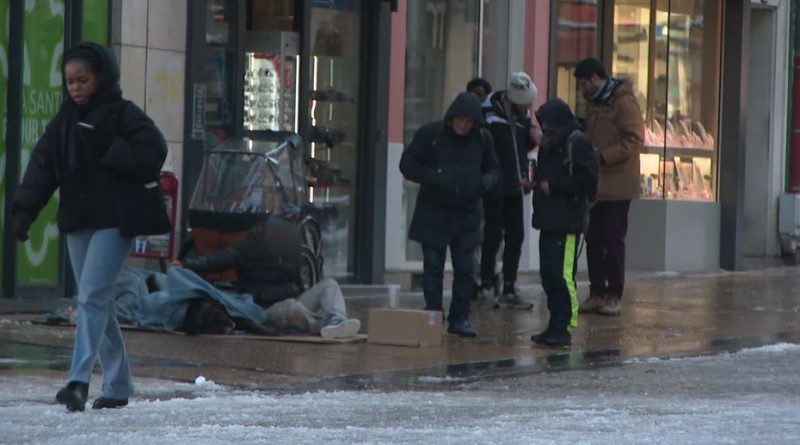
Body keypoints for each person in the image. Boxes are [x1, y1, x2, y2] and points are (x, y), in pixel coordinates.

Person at [10, 42, 168, 411]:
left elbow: (153, 152)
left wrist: (114, 150)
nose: (76, 87)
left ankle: (78, 381)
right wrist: (24, 210)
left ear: (100, 77)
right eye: (69, 82)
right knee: (99, 302)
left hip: (115, 221)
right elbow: (42, 167)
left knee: (92, 298)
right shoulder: (64, 121)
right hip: (79, 221)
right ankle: (119, 383)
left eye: (82, 79)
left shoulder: (124, 114)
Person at [400, 92, 500, 337]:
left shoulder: (483, 140)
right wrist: (434, 178)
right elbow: (408, 164)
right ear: (451, 118)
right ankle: (433, 315)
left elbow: (495, 169)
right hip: (434, 211)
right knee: (433, 269)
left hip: (466, 214)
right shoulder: (431, 135)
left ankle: (460, 318)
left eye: (468, 122)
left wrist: (482, 183)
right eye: (459, 121)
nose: (463, 126)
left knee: (465, 270)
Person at [177, 216, 361, 340]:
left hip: (290, 299)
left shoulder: (288, 252)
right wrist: (186, 264)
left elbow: (296, 284)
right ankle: (323, 325)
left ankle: (337, 320)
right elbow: (217, 260)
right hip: (264, 308)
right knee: (292, 307)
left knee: (329, 285)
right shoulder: (247, 249)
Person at [573, 58, 644, 316]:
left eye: (583, 83)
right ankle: (597, 292)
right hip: (596, 184)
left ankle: (614, 295)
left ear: (594, 78)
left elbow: (635, 139)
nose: (582, 89)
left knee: (613, 240)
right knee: (593, 239)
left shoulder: (623, 101)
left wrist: (604, 156)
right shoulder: (596, 103)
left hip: (618, 184)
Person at [530, 98, 599, 347]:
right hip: (549, 219)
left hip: (567, 221)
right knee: (548, 275)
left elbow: (589, 184)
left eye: (547, 123)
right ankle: (555, 324)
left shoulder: (577, 143)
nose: (544, 128)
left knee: (561, 275)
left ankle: (564, 326)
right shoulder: (551, 143)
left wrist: (554, 186)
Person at [477, 72, 541, 309]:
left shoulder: (522, 117)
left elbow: (521, 146)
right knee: (492, 235)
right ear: (512, 101)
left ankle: (509, 286)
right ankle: (486, 282)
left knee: (516, 236)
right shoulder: (489, 115)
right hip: (494, 185)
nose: (527, 109)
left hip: (515, 185)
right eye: (523, 105)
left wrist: (533, 139)